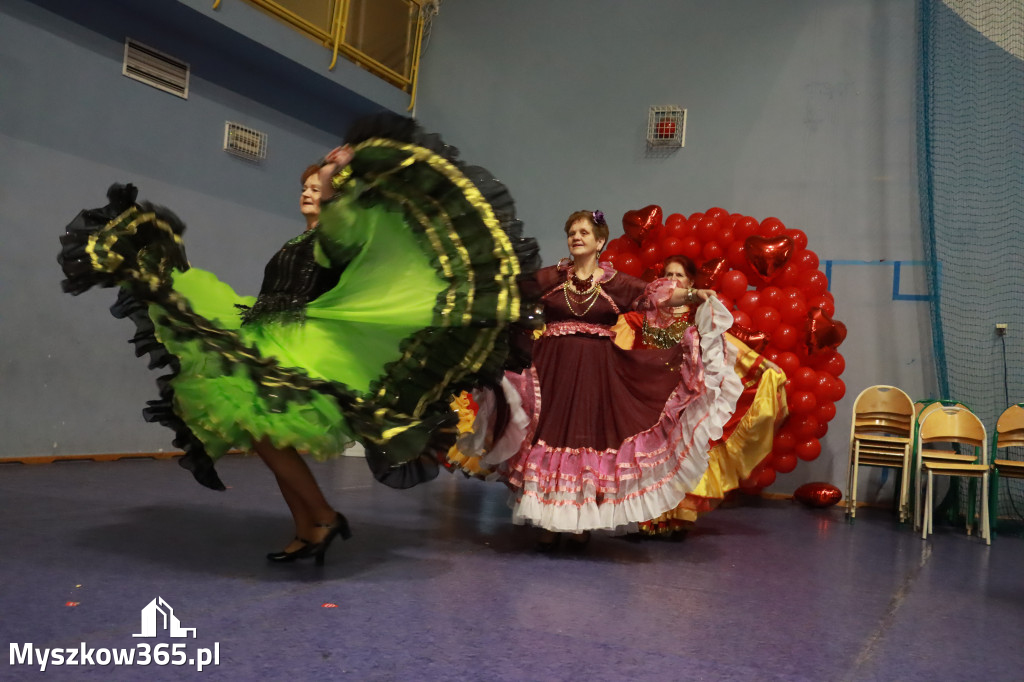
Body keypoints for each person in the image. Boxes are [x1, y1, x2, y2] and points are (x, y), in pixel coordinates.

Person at [58, 114, 539, 565]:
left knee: (269, 437)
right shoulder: (294, 241)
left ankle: (322, 519)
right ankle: (312, 524)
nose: (308, 192)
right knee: (267, 438)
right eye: (305, 187)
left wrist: (343, 167)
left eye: (318, 186)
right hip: (265, 334)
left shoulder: (340, 236)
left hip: (305, 346)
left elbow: (357, 229)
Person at [443, 210, 743, 551]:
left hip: (595, 374)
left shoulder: (615, 282)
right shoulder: (553, 276)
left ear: (600, 241)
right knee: (548, 436)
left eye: (584, 231)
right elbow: (513, 291)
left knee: (586, 440)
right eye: (572, 231)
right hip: (551, 371)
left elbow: (657, 295)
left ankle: (579, 525)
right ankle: (547, 521)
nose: (577, 236)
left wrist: (692, 296)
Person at [612, 254, 788, 537]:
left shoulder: (698, 321)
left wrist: (766, 368)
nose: (672, 280)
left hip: (684, 401)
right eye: (667, 275)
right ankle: (649, 522)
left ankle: (679, 518)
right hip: (649, 401)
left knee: (682, 459)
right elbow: (616, 345)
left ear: (691, 283)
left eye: (678, 275)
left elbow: (731, 350)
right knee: (650, 463)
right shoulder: (639, 320)